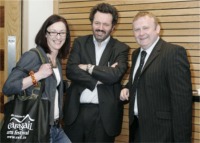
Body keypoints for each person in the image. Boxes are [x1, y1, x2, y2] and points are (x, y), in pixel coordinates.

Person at [120, 11, 192, 142]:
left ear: (157, 29)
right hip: (136, 128)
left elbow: (182, 105)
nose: (141, 33)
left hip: (162, 134)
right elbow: (141, 79)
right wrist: (127, 87)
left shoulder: (174, 53)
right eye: (137, 29)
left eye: (145, 28)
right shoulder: (136, 54)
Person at [63, 2, 129, 142]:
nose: (100, 28)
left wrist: (88, 67)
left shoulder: (121, 48)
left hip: (104, 117)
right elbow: (71, 70)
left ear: (113, 27)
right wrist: (99, 79)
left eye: (105, 24)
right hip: (75, 112)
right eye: (97, 23)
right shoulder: (80, 42)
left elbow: (115, 75)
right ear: (92, 22)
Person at [2, 14, 71, 143]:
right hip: (38, 129)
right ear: (45, 34)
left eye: (62, 33)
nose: (58, 37)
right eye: (53, 32)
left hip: (55, 127)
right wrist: (38, 75)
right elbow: (8, 87)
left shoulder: (57, 59)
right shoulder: (33, 56)